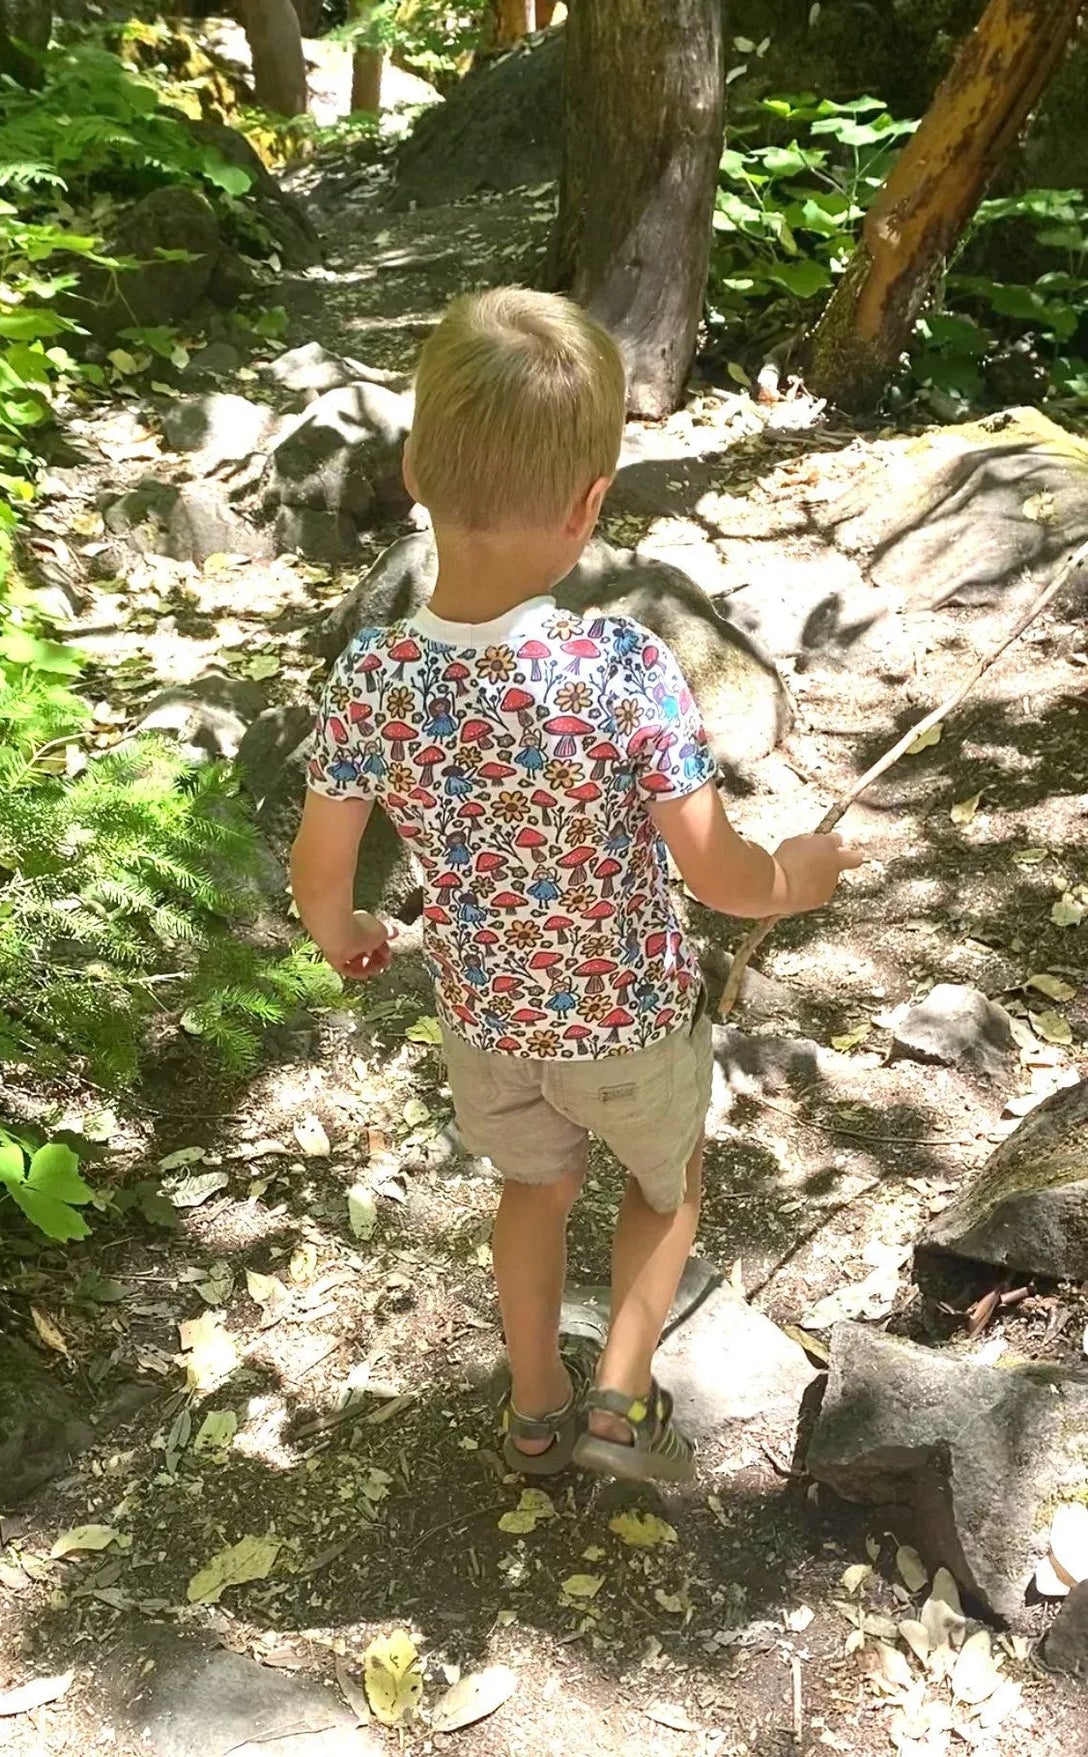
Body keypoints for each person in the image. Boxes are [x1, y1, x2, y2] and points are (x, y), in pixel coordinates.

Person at [290, 288, 863, 1484]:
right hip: (634, 1021)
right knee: (670, 1182)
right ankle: (623, 1391)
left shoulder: (379, 669)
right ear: (591, 504)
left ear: (412, 472)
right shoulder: (620, 663)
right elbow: (716, 871)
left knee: (531, 1190)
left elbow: (322, 868)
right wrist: (795, 878)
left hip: (488, 1021)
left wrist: (347, 934)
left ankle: (536, 1402)